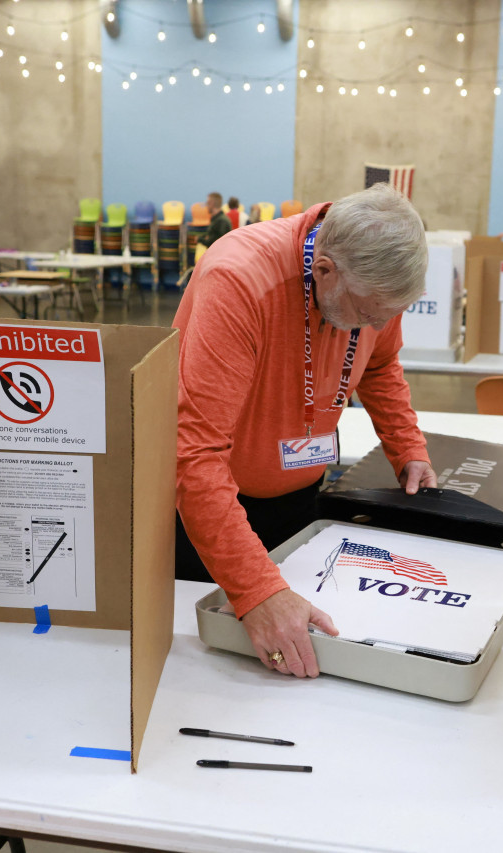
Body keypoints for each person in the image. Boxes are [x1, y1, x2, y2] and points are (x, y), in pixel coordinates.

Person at [174, 183, 437, 680]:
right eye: (368, 315)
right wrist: (257, 592)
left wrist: (407, 448)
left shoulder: (369, 289)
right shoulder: (239, 280)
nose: (379, 325)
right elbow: (194, 455)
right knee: (212, 679)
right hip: (208, 518)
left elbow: (380, 366)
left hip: (298, 500)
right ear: (324, 271)